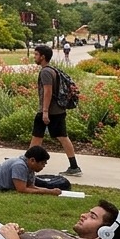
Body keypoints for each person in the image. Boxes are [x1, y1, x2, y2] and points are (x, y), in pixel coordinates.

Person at [29, 44, 81, 176]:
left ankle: (27, 167)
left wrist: (45, 112)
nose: (34, 57)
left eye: (36, 54)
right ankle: (74, 166)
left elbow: (48, 92)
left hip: (48, 111)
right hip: (58, 111)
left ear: (43, 57)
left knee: (36, 138)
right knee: (63, 137)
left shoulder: (46, 71)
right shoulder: (53, 70)